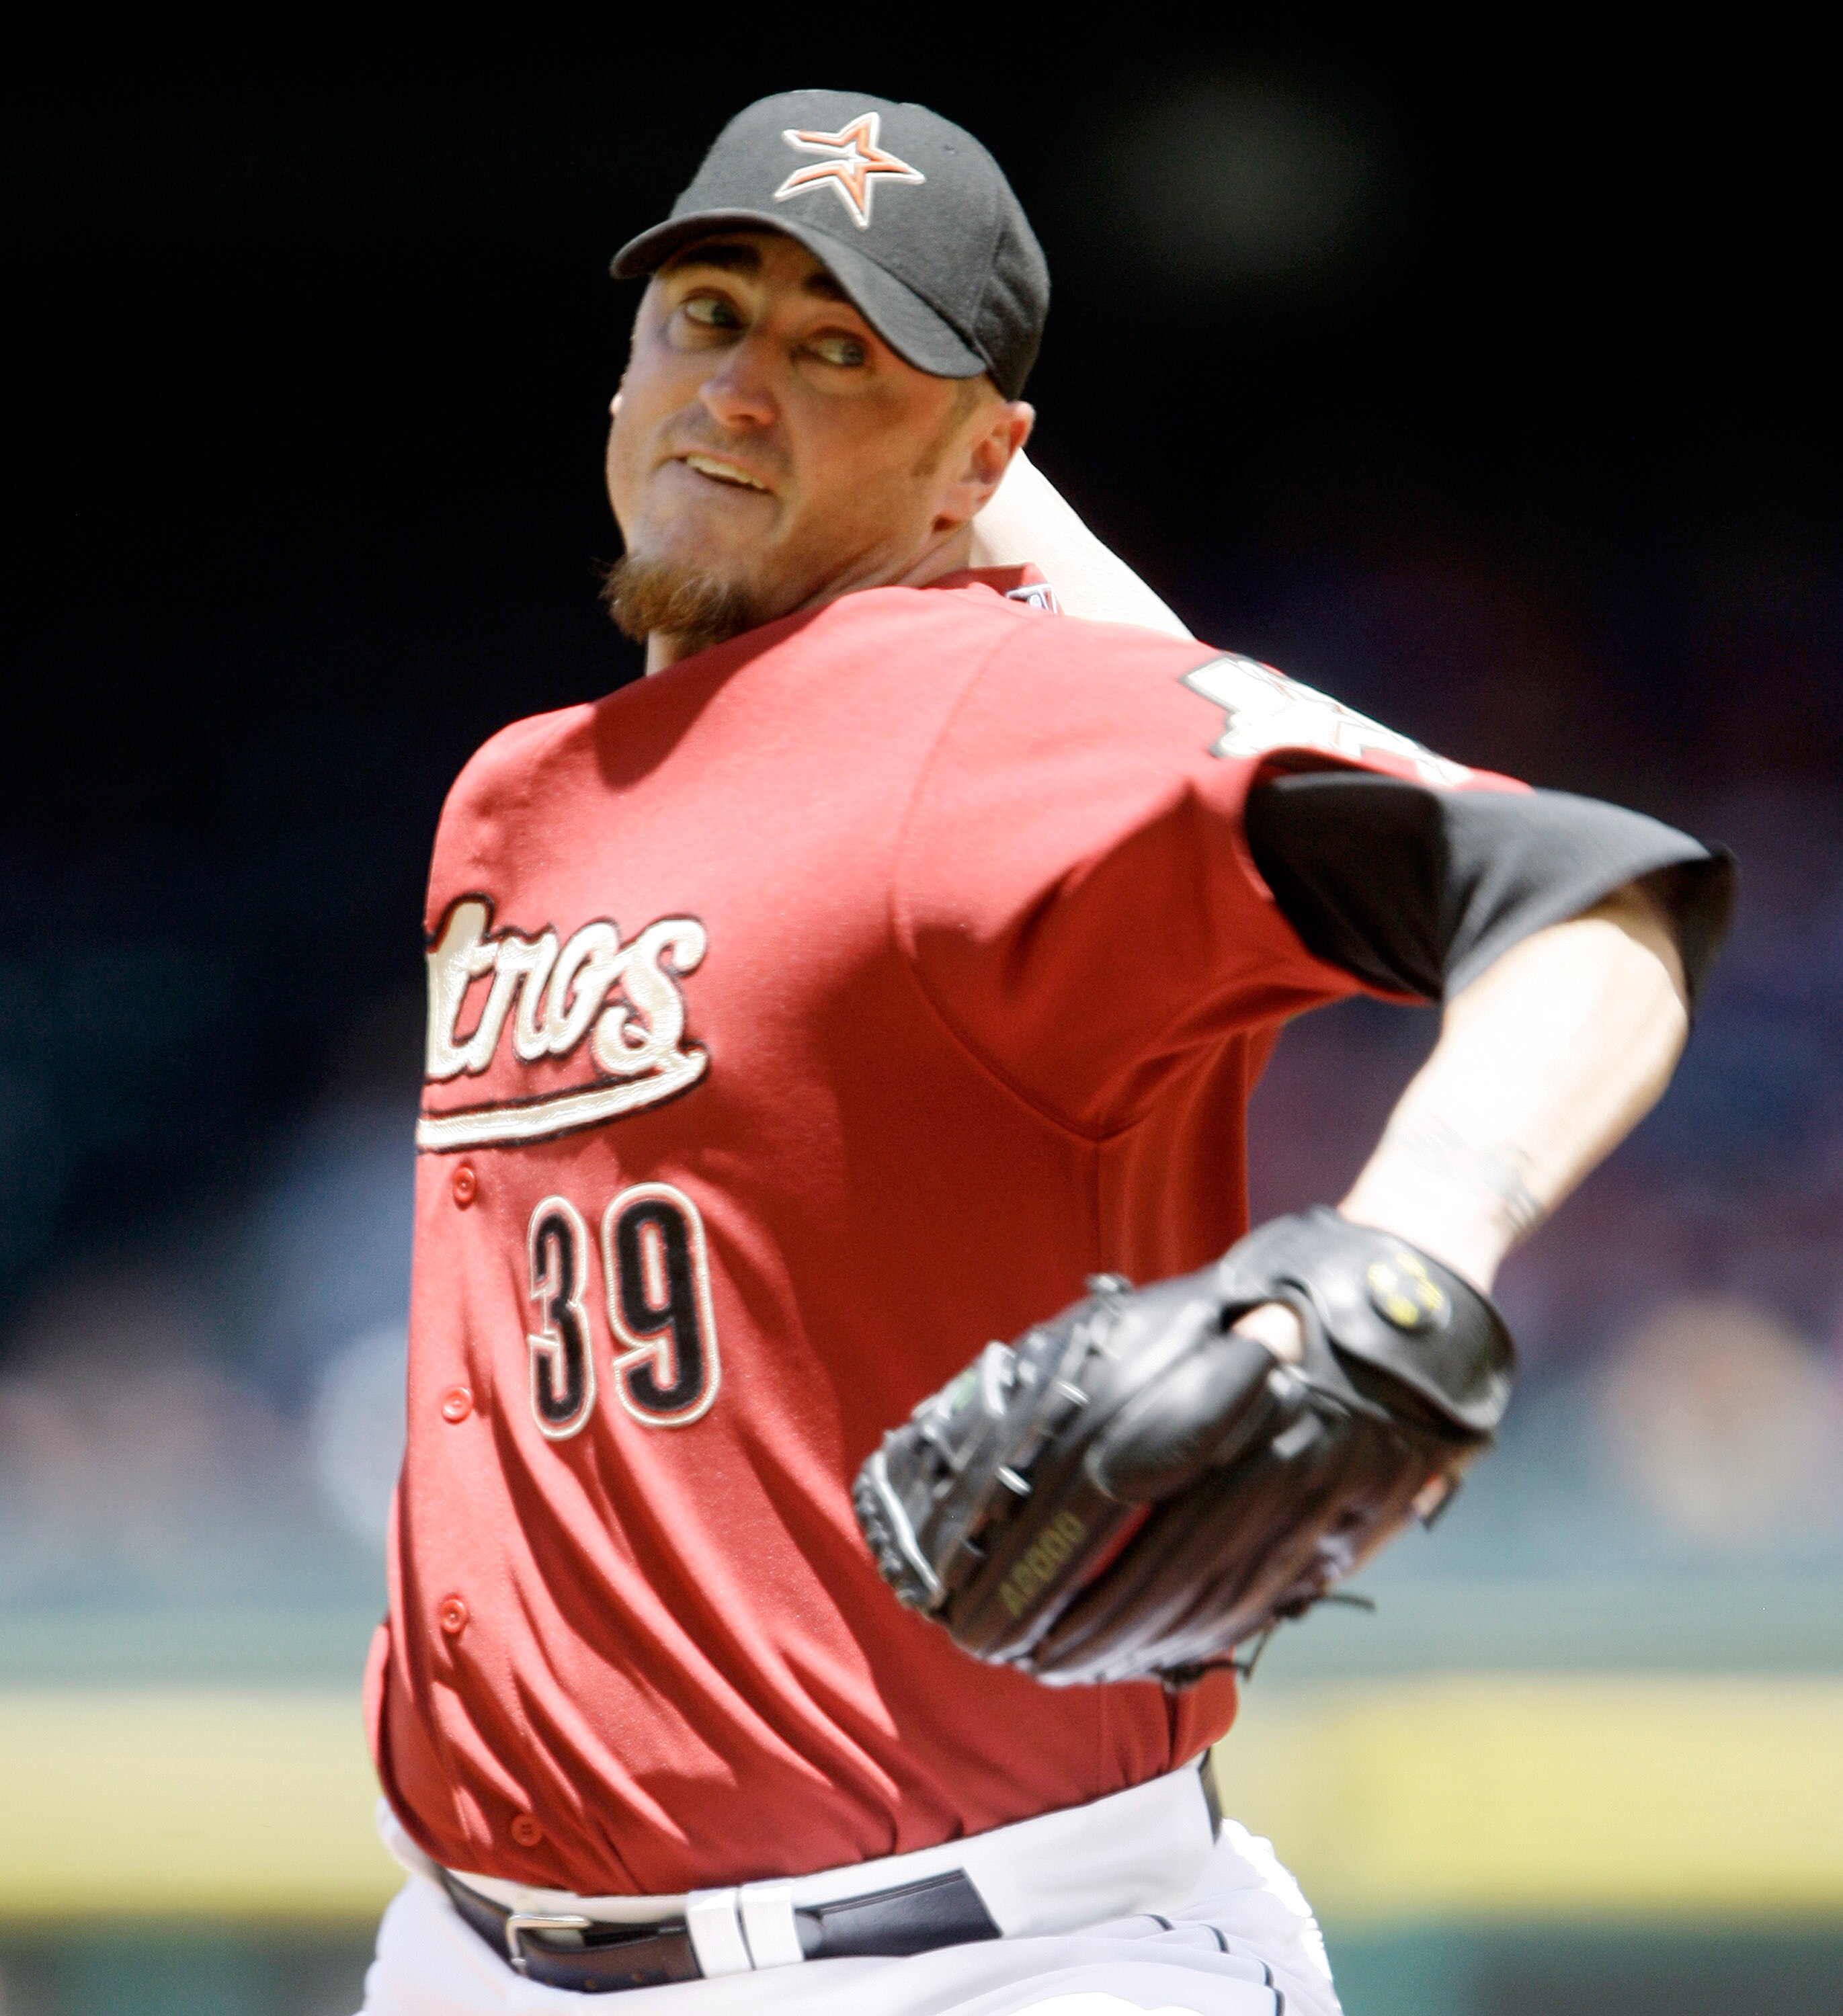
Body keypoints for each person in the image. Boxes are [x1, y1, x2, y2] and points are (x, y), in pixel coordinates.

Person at [358, 89, 1732, 2015]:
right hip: (467, 1953)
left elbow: (1591, 898)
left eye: (842, 353)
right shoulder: (512, 794)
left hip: (980, 1958)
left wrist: (1415, 1245)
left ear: (981, 461)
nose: (740, 387)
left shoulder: (1002, 720)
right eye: (706, 315)